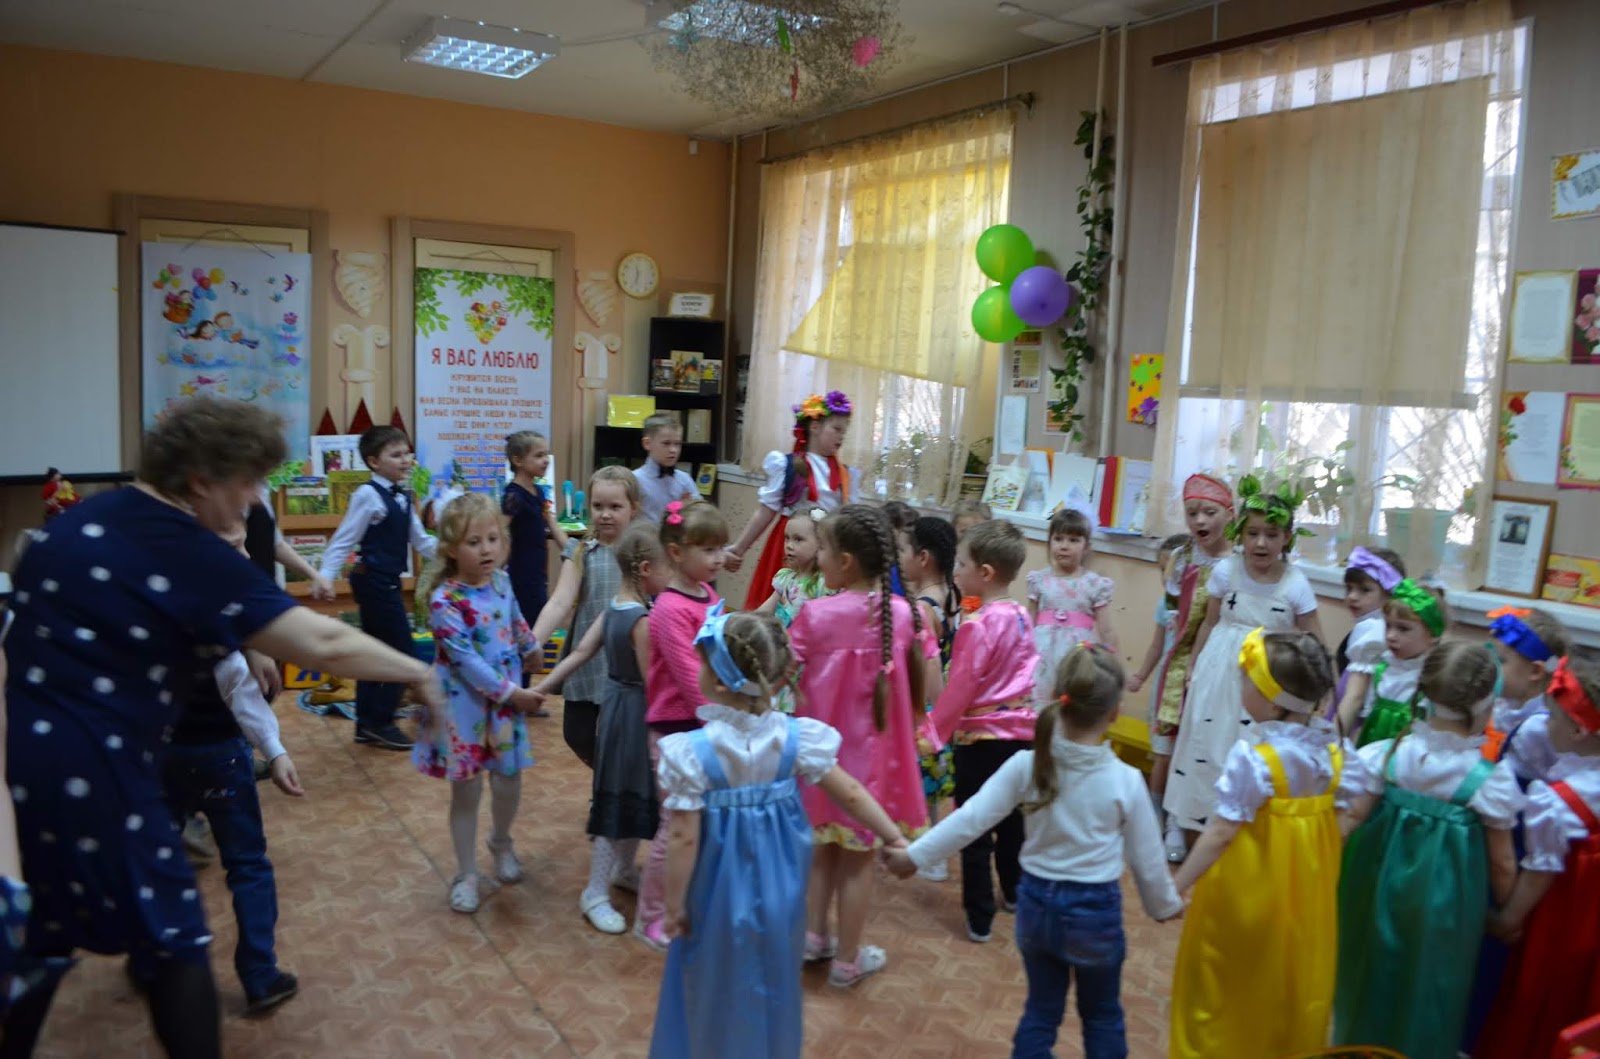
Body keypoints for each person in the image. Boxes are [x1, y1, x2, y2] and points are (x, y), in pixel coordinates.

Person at [2, 398, 443, 1059]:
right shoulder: (180, 546)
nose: (256, 499)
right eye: (249, 481)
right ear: (202, 478)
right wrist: (421, 673)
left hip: (25, 772)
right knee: (178, 939)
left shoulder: (77, 523)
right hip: (101, 772)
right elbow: (321, 641)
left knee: (42, 936)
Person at [886, 644, 1183, 1059]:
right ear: (1115, 712)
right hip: (1094, 914)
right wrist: (1164, 905)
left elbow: (969, 819)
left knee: (1041, 1013)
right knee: (1102, 1016)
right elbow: (1148, 862)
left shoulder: (1026, 766)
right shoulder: (1127, 781)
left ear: (1059, 699)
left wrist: (913, 856)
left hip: (1037, 908)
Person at [648, 611, 905, 1059]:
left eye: (702, 663)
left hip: (714, 896)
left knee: (712, 976)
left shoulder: (693, 753)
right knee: (770, 975)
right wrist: (893, 836)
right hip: (780, 893)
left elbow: (683, 839)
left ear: (720, 683)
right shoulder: (796, 740)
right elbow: (850, 792)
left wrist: (672, 906)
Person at [129, 522, 305, 1016]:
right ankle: (260, 974)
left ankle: (148, 960)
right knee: (248, 865)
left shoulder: (154, 610)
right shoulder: (219, 623)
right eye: (233, 546)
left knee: (157, 860)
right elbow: (243, 697)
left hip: (166, 760)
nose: (245, 555)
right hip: (222, 758)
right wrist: (276, 751)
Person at [1168, 629, 1366, 1058]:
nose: (1241, 686)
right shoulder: (1336, 755)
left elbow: (1221, 832)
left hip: (1247, 887)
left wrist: (1177, 886)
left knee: (1228, 970)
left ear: (1274, 703)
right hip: (1306, 893)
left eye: (1248, 682)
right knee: (1287, 975)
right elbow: (1346, 817)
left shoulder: (1256, 760)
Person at [1334, 640, 1523, 1059]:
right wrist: (1509, 915)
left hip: (1375, 883)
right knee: (1432, 978)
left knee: (1370, 964)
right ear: (1486, 707)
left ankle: (1358, 1044)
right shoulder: (1487, 781)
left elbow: (1352, 817)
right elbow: (1502, 862)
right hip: (1445, 902)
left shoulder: (1389, 754)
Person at [791, 504, 929, 985]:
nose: (818, 558)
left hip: (820, 764)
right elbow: (923, 682)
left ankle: (814, 937)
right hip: (871, 769)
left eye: (823, 549)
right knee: (856, 859)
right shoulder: (903, 615)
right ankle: (846, 960)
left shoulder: (814, 614)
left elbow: (784, 669)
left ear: (845, 561)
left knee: (820, 849)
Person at [1163, 476, 1322, 842]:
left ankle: (1242, 828)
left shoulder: (1296, 584)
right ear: (1240, 535)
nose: (1261, 542)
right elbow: (1209, 622)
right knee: (1204, 740)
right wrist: (1194, 663)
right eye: (1252, 534)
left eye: (1271, 534)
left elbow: (1313, 639)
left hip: (1267, 679)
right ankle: (1183, 822)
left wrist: (1318, 691)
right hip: (1219, 669)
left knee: (1251, 747)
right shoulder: (1225, 571)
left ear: (1287, 538)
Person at [532, 522, 671, 934]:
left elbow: (579, 652)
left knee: (630, 793)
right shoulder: (640, 619)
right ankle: (594, 891)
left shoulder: (615, 606)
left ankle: (624, 871)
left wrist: (542, 686)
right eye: (667, 567)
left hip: (615, 708)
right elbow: (653, 682)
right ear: (646, 569)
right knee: (619, 798)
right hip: (635, 715)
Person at [412, 493, 543, 914]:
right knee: (466, 791)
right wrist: (513, 693)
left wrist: (531, 646)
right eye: (473, 542)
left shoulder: (502, 582)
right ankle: (466, 872)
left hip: (502, 706)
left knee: (508, 780)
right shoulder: (444, 601)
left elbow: (516, 619)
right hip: (463, 707)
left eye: (492, 539)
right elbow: (466, 662)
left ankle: (501, 841)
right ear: (451, 549)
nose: (486, 549)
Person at [1476, 655, 1600, 1059]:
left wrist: (1507, 920)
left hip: (1564, 915)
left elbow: (1538, 873)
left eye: (1552, 719)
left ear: (1578, 730)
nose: (1544, 726)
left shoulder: (1559, 802)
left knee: (1541, 987)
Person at [1459, 605, 1570, 1051]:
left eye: (1502, 660)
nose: (1492, 668)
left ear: (1536, 672)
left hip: (1519, 840)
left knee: (1497, 949)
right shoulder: (1514, 708)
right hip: (1504, 827)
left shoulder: (1539, 729)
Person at [925, 519, 1039, 943]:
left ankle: (979, 915)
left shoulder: (978, 624)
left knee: (974, 825)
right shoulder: (1023, 616)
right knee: (1012, 820)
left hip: (980, 740)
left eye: (961, 564)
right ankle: (1015, 892)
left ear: (985, 573)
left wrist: (933, 733)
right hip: (1021, 739)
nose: (955, 571)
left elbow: (961, 687)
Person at [634, 501, 728, 950]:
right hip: (676, 730)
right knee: (674, 826)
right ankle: (651, 915)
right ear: (676, 552)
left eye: (720, 549)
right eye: (708, 550)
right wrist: (728, 715)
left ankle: (687, 900)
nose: (718, 558)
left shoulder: (707, 594)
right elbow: (691, 678)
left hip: (706, 726)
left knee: (699, 824)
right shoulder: (669, 609)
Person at [318, 425, 441, 751]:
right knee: (401, 653)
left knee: (374, 651)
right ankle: (380, 721)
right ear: (374, 462)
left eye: (407, 454)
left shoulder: (404, 495)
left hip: (387, 582)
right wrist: (325, 575)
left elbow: (421, 541)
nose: (405, 460)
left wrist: (454, 552)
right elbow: (344, 538)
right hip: (373, 582)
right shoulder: (367, 495)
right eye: (396, 455)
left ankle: (367, 723)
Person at [1140, 473, 1234, 861]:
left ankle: (1190, 821)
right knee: (1168, 746)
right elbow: (1171, 618)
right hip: (1179, 663)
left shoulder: (1237, 563)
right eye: (1192, 513)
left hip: (1221, 665)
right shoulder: (1181, 559)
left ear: (1230, 514)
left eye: (1209, 512)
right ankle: (1160, 822)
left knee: (1202, 746)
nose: (1200, 520)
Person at [531, 466, 642, 769]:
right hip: (587, 661)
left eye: (615, 507)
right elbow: (560, 601)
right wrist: (533, 642)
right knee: (577, 733)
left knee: (621, 737)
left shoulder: (642, 553)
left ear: (633, 508)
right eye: (598, 506)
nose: (605, 514)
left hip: (628, 659)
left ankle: (614, 785)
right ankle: (609, 777)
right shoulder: (582, 552)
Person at [724, 390, 856, 609]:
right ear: (815, 427)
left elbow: (845, 516)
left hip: (825, 549)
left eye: (844, 431)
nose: (842, 436)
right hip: (791, 543)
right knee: (780, 603)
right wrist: (739, 548)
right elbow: (766, 512)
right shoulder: (788, 465)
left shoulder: (844, 473)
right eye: (836, 429)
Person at [900, 515, 959, 878]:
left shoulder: (922, 608)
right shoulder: (950, 594)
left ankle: (930, 857)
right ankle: (927, 849)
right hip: (944, 701)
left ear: (923, 557)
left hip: (926, 703)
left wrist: (926, 713)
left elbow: (928, 663)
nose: (899, 557)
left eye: (904, 550)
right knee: (932, 782)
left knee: (924, 779)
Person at [1124, 533, 1189, 825]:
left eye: (1176, 570)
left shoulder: (1204, 605)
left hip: (1189, 688)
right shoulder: (1166, 605)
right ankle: (1154, 812)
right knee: (1162, 753)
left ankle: (1176, 815)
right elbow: (1156, 645)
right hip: (1166, 687)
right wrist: (1141, 675)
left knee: (1183, 755)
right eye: (1164, 570)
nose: (1169, 577)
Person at [1026, 507, 1118, 710]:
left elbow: (1106, 630)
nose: (1064, 546)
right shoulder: (1039, 580)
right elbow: (1029, 619)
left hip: (1077, 654)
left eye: (1073, 540)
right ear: (1049, 542)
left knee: (1072, 703)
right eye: (1058, 539)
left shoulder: (1094, 584)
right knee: (1039, 701)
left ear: (1086, 547)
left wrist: (1110, 662)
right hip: (1042, 653)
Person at [502, 431, 568, 693]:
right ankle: (515, 692)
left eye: (546, 455)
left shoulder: (539, 492)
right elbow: (501, 532)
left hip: (536, 573)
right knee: (524, 633)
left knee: (534, 632)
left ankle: (524, 691)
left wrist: (574, 550)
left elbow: (551, 524)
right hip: (520, 575)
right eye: (539, 455)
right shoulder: (513, 495)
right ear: (518, 460)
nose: (546, 460)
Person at [1351, 579, 1446, 747]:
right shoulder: (1382, 669)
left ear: (1433, 634)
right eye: (1388, 626)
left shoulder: (1432, 680)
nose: (1390, 636)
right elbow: (1366, 720)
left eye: (1403, 629)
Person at [1329, 546, 1404, 726]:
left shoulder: (1375, 633)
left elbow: (1356, 697)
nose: (1352, 596)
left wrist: (1334, 738)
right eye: (1349, 588)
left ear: (1390, 594)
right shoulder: (1367, 627)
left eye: (1365, 590)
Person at [754, 505, 831, 632]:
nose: (789, 545)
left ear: (820, 543)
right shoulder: (785, 578)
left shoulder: (824, 583)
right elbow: (765, 611)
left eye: (798, 539)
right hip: (782, 640)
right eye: (787, 538)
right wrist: (747, 623)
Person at [632, 413, 699, 524]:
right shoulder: (635, 480)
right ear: (647, 443)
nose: (673, 450)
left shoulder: (685, 479)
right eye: (666, 443)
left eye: (677, 444)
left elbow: (698, 513)